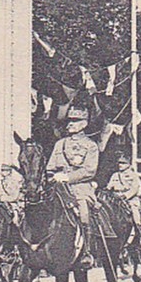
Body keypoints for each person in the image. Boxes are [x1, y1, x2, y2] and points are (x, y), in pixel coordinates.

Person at [46, 107, 101, 268]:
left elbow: (89, 170)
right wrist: (53, 176)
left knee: (83, 213)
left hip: (80, 188)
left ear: (84, 124)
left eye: (75, 121)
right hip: (58, 187)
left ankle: (86, 252)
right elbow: (50, 167)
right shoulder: (60, 144)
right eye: (69, 120)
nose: (70, 124)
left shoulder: (90, 146)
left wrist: (68, 177)